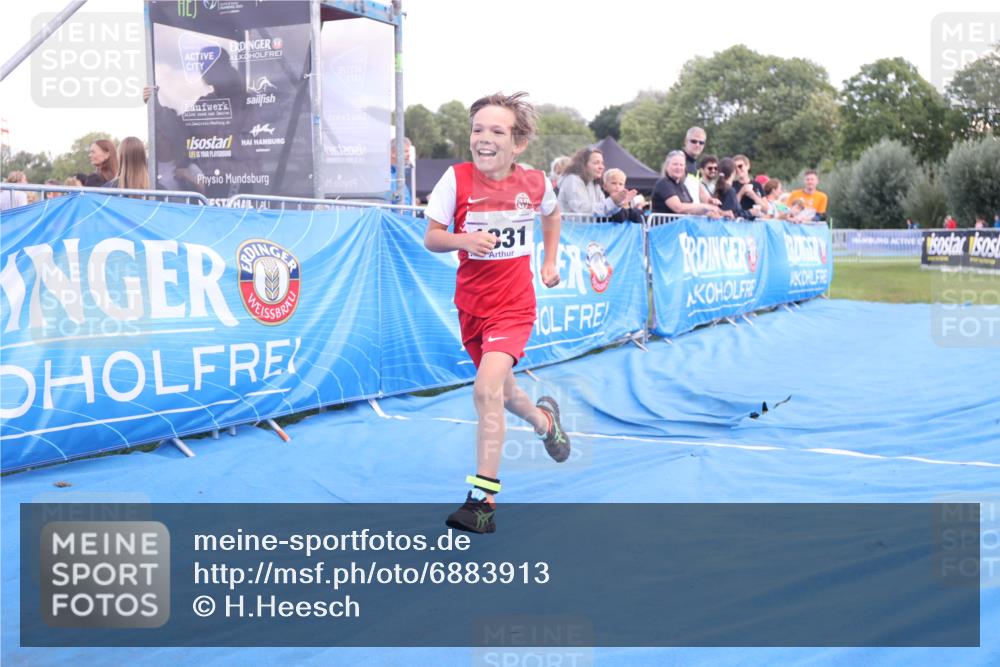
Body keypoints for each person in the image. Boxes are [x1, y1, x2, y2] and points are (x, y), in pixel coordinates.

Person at [423, 92, 570, 534]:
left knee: (485, 390)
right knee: (505, 394)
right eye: (477, 129)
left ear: (518, 144)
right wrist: (463, 240)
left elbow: (553, 214)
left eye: (497, 131)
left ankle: (482, 501)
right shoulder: (456, 179)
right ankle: (545, 422)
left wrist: (549, 261)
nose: (484, 138)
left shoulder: (535, 183)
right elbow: (432, 236)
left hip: (513, 307)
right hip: (471, 307)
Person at [557, 147, 632, 216]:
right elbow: (582, 210)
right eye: (596, 163)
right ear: (583, 165)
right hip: (569, 226)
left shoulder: (594, 184)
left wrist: (618, 203)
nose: (601, 167)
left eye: (602, 163)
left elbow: (604, 210)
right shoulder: (572, 180)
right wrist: (613, 201)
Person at [651, 151, 723, 217]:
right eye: (675, 164)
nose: (678, 167)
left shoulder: (682, 186)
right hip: (666, 226)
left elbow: (692, 208)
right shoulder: (664, 184)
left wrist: (709, 212)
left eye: (681, 165)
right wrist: (706, 206)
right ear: (667, 166)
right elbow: (678, 208)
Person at [390, 137, 413, 205]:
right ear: (393, 153)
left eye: (408, 151)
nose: (409, 155)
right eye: (405, 151)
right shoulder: (387, 176)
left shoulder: (397, 174)